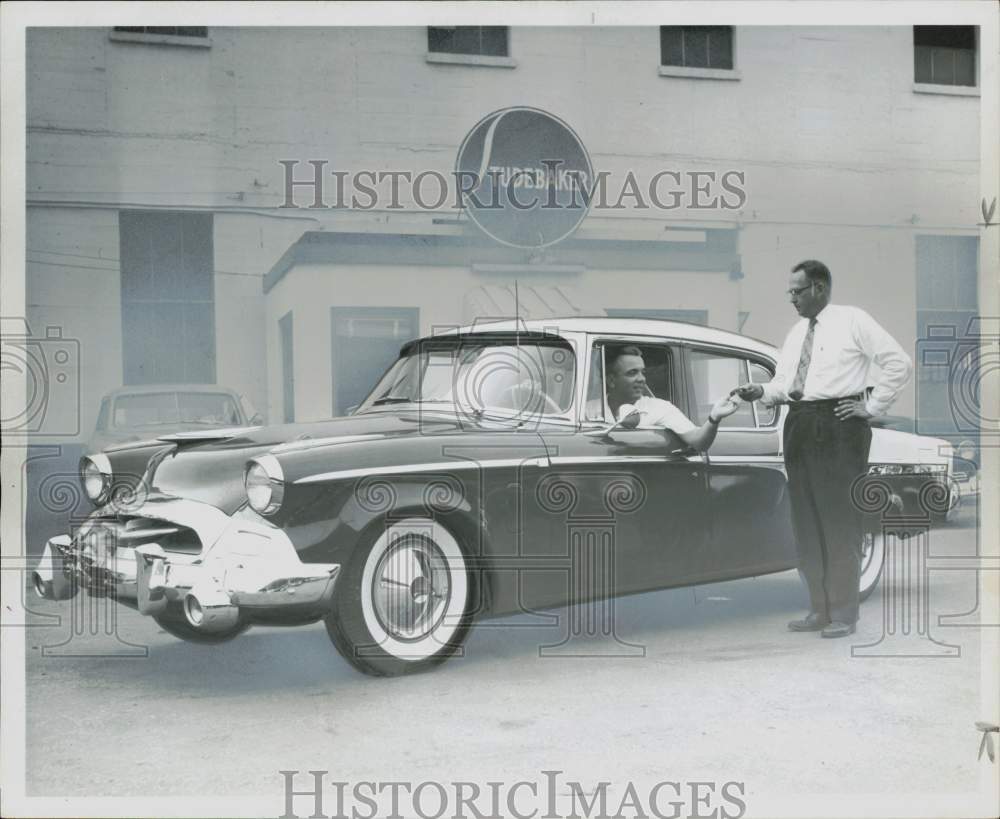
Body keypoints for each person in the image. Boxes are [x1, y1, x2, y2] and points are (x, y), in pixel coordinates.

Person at [733, 260, 912, 638]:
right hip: (799, 423)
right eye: (790, 292)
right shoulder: (798, 332)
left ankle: (844, 614)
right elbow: (784, 384)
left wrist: (872, 406)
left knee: (839, 520)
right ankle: (818, 609)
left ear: (819, 288)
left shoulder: (853, 320)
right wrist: (761, 392)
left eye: (797, 291)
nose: (791, 298)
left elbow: (898, 362)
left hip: (839, 427)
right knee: (806, 520)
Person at [604, 345, 740, 452]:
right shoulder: (588, 409)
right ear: (611, 380)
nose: (642, 379)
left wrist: (714, 417)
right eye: (632, 373)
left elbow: (698, 441)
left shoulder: (660, 408)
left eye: (643, 372)